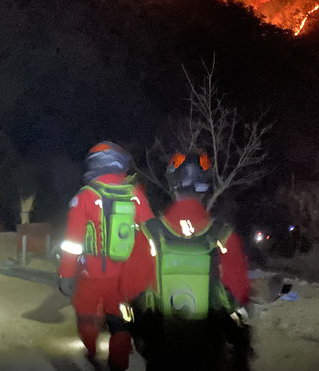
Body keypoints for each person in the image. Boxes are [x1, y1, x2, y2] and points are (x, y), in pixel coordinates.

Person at [124, 151, 252, 371]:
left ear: (173, 184)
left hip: (161, 348)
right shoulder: (223, 234)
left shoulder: (149, 233)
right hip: (208, 348)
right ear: (205, 187)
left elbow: (129, 288)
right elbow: (239, 292)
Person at [58, 141, 154, 370]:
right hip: (125, 275)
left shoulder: (85, 196)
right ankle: (118, 364)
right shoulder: (135, 194)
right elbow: (151, 232)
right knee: (119, 320)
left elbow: (73, 241)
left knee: (86, 315)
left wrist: (66, 274)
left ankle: (91, 353)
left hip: (92, 274)